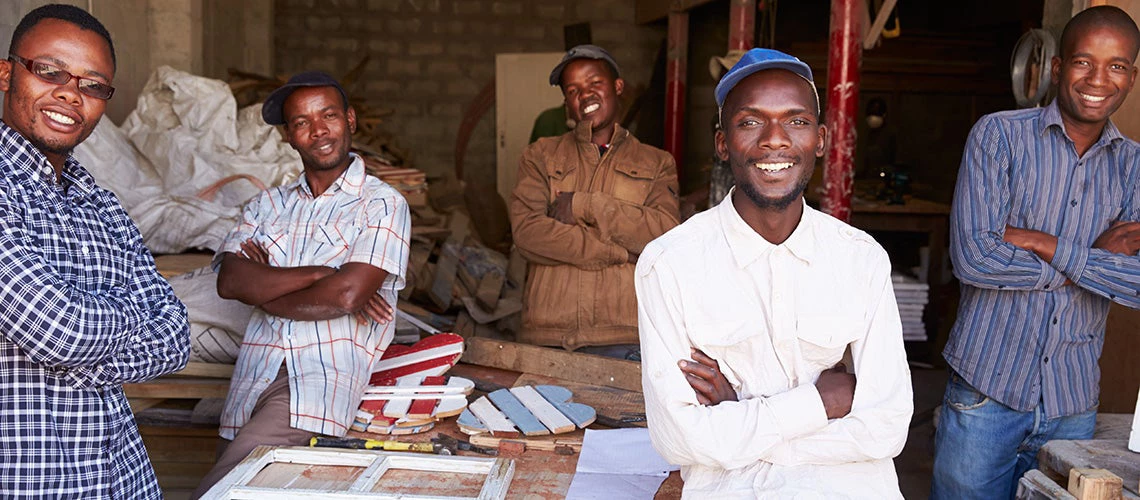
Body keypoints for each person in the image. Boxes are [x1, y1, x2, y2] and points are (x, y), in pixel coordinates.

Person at [636, 48, 913, 498]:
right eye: (750, 122)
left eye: (797, 121)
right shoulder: (670, 264)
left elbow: (886, 427)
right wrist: (819, 403)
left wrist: (740, 417)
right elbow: (677, 439)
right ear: (723, 142)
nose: (775, 139)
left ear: (820, 139)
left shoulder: (860, 259)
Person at [931, 6, 1140, 499]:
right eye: (1083, 61)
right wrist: (1093, 260)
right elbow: (976, 258)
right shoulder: (998, 135)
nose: (1097, 79)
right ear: (1056, 68)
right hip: (986, 393)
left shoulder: (1134, 166)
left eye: (1116, 66)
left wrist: (1044, 243)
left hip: (1073, 405)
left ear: (1131, 77)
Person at [0, 4, 190, 497]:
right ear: (5, 73)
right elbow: (62, 330)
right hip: (27, 480)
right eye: (49, 71)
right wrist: (127, 319)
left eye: (92, 84)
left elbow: (173, 336)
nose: (69, 93)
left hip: (120, 476)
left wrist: (83, 347)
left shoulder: (102, 204)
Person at [192, 71, 411, 497]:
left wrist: (268, 288)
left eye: (328, 115)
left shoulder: (383, 203)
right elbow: (232, 282)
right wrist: (320, 274)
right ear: (289, 136)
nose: (318, 131)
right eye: (302, 122)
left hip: (313, 387)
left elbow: (347, 296)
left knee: (218, 492)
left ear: (350, 120)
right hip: (250, 381)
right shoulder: (266, 204)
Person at [509, 44, 680, 357]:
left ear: (617, 87)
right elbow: (528, 234)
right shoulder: (540, 156)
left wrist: (583, 205)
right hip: (548, 335)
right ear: (567, 103)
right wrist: (616, 252)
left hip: (625, 337)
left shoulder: (656, 163)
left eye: (594, 84)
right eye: (573, 89)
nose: (585, 95)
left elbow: (665, 235)